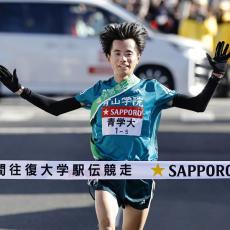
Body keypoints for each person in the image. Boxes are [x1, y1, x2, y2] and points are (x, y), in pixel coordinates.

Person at [0, 22, 229, 230]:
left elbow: (198, 105)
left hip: (141, 173)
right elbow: (56, 108)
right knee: (107, 225)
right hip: (106, 171)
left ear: (138, 57)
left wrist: (217, 74)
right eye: (117, 53)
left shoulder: (153, 90)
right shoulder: (98, 91)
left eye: (129, 54)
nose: (123, 59)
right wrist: (21, 91)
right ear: (108, 57)